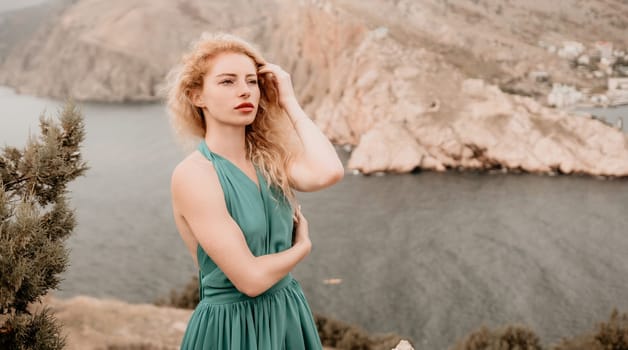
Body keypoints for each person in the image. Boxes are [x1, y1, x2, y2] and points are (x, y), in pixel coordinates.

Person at [166, 32, 344, 349]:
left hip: (287, 315)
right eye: (227, 82)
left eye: (252, 81)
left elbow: (329, 171)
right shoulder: (194, 175)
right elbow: (249, 280)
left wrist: (288, 101)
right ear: (197, 96)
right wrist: (302, 248)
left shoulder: (271, 161)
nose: (245, 91)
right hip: (231, 329)